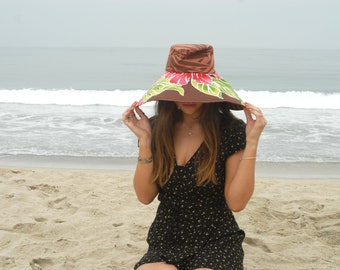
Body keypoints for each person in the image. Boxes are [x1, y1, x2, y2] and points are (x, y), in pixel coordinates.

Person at [122, 44, 267, 270]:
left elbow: (237, 203)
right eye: (183, 88)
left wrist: (252, 143)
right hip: (166, 239)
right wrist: (145, 142)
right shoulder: (156, 129)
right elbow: (144, 196)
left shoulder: (230, 130)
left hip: (216, 239)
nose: (189, 96)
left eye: (197, 89)